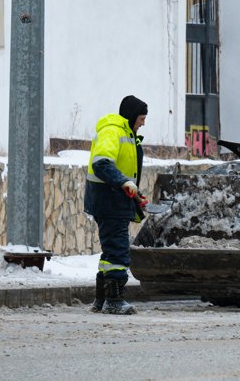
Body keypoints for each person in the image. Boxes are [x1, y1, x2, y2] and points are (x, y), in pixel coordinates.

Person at [84, 95, 148, 315]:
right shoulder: (113, 131)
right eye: (141, 118)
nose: (143, 123)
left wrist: (134, 192)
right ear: (131, 116)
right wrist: (123, 182)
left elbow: (124, 172)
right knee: (119, 251)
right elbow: (101, 163)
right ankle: (114, 300)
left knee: (110, 252)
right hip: (108, 200)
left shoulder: (127, 134)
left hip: (114, 199)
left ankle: (101, 300)